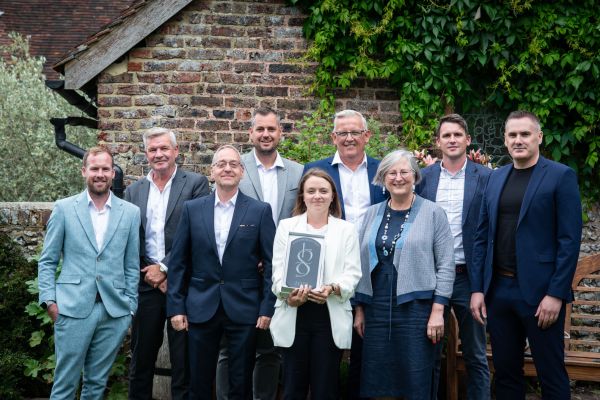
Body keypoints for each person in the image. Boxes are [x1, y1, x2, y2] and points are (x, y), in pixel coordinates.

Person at [470, 111, 582, 399]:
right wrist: (479, 290)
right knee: (506, 375)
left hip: (541, 294)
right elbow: (482, 236)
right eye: (512, 135)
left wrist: (556, 294)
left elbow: (569, 241)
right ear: (505, 140)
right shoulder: (495, 179)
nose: (518, 140)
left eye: (525, 134)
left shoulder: (560, 176)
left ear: (539, 137)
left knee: (551, 375)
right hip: (499, 291)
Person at [167, 145, 276, 400]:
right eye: (221, 164)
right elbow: (179, 262)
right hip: (200, 307)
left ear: (242, 172)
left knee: (240, 382)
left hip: (245, 308)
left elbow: (272, 263)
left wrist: (266, 307)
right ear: (211, 171)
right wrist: (176, 307)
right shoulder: (192, 209)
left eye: (233, 164)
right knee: (198, 382)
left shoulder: (260, 210)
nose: (227, 168)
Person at [38, 146, 140, 399]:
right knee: (65, 384)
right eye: (95, 168)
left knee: (96, 385)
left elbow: (131, 264)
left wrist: (130, 307)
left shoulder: (130, 213)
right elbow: (48, 260)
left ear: (113, 173)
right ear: (84, 171)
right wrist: (50, 301)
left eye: (106, 168)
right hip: (72, 309)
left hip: (113, 311)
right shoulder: (63, 209)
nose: (100, 174)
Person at [217, 108, 303, 400]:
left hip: (282, 268)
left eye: (271, 129)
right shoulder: (233, 166)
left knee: (270, 346)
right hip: (242, 270)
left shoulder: (297, 171)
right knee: (229, 347)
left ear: (280, 133)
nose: (266, 134)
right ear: (250, 133)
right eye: (260, 129)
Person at [354, 149, 455, 399]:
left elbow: (446, 265)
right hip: (375, 307)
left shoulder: (433, 213)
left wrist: (438, 311)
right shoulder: (371, 214)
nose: (398, 178)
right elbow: (357, 263)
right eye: (391, 172)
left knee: (415, 375)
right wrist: (359, 309)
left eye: (404, 171)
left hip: (417, 308)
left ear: (415, 176)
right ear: (382, 178)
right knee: (375, 374)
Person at [303, 109, 386, 397]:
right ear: (333, 137)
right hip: (329, 271)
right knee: (326, 352)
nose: (349, 138)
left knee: (366, 350)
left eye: (355, 132)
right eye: (342, 133)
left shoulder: (382, 171)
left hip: (374, 269)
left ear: (367, 136)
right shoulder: (316, 170)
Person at [125, 127, 209, 400]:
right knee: (141, 359)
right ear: (146, 154)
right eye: (152, 150)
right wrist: (151, 272)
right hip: (147, 286)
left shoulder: (195, 184)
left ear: (175, 151)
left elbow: (199, 232)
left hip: (182, 285)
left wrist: (164, 269)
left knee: (183, 360)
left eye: (164, 148)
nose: (158, 154)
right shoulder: (133, 191)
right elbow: (130, 239)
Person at [416, 114, 491, 399]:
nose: (452, 140)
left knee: (475, 354)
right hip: (430, 275)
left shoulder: (485, 177)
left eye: (457, 135)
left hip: (467, 278)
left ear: (467, 140)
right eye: (446, 135)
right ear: (438, 142)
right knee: (428, 352)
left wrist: (480, 286)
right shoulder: (424, 178)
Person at [270, 168, 362, 400]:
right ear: (302, 195)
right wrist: (288, 295)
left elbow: (352, 273)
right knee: (293, 388)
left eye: (323, 190)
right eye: (311, 191)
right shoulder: (286, 226)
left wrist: (332, 288)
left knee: (325, 389)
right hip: (294, 314)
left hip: (329, 316)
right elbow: (277, 275)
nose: (317, 196)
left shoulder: (346, 230)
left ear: (333, 196)